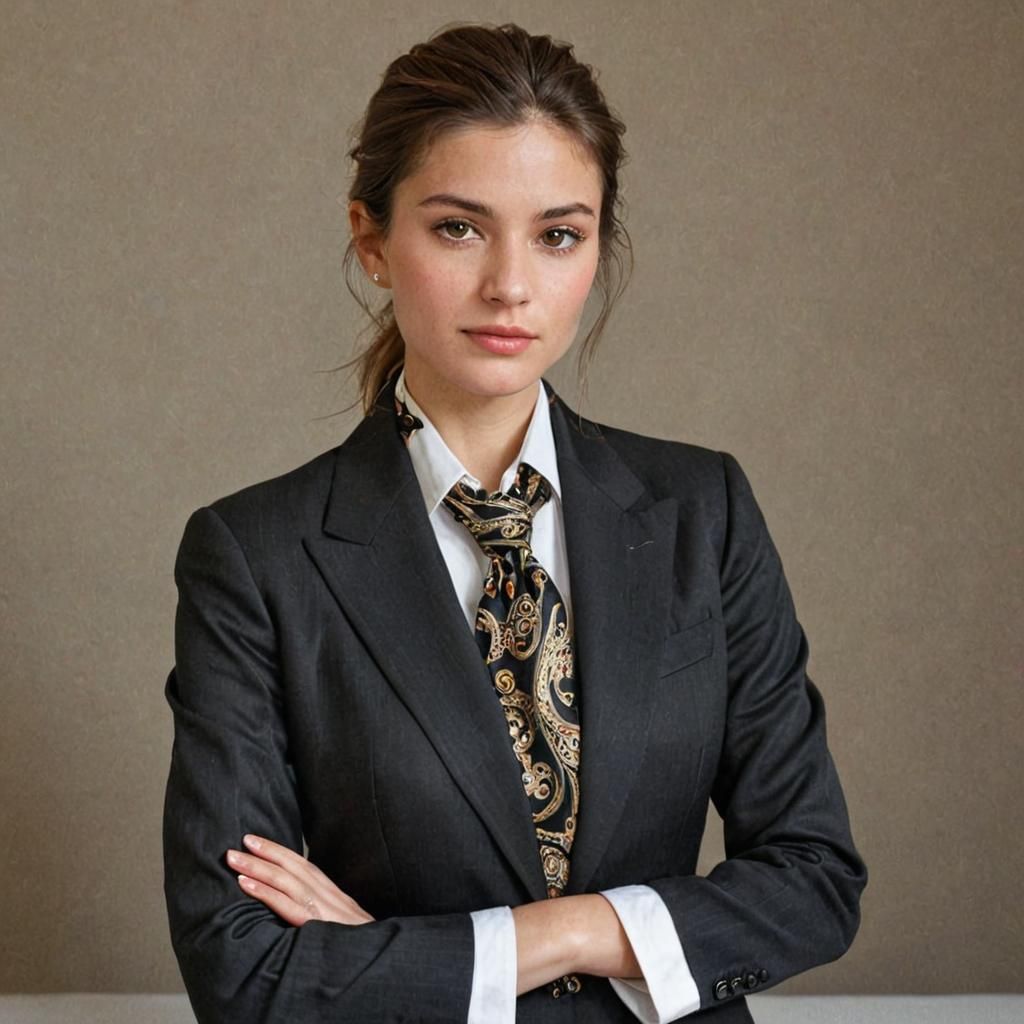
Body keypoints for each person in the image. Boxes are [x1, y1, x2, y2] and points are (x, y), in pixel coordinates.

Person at [163, 22, 866, 1024]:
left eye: (557, 234)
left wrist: (537, 935)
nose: (510, 284)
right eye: (458, 227)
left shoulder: (699, 513)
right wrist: (600, 937)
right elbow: (240, 971)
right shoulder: (258, 555)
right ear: (371, 239)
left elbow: (813, 879)